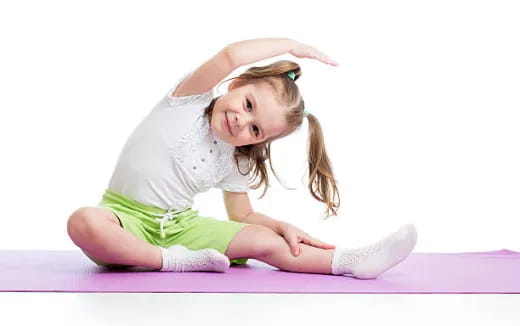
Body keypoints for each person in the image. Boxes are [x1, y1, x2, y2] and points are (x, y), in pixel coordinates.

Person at [66, 38, 417, 279]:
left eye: (255, 129)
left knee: (264, 242)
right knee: (84, 223)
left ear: (261, 140)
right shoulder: (186, 101)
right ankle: (170, 262)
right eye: (248, 105)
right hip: (124, 222)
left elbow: (242, 215)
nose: (240, 121)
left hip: (181, 228)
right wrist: (291, 46)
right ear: (238, 84)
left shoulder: (237, 158)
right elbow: (231, 55)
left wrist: (280, 227)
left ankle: (348, 261)